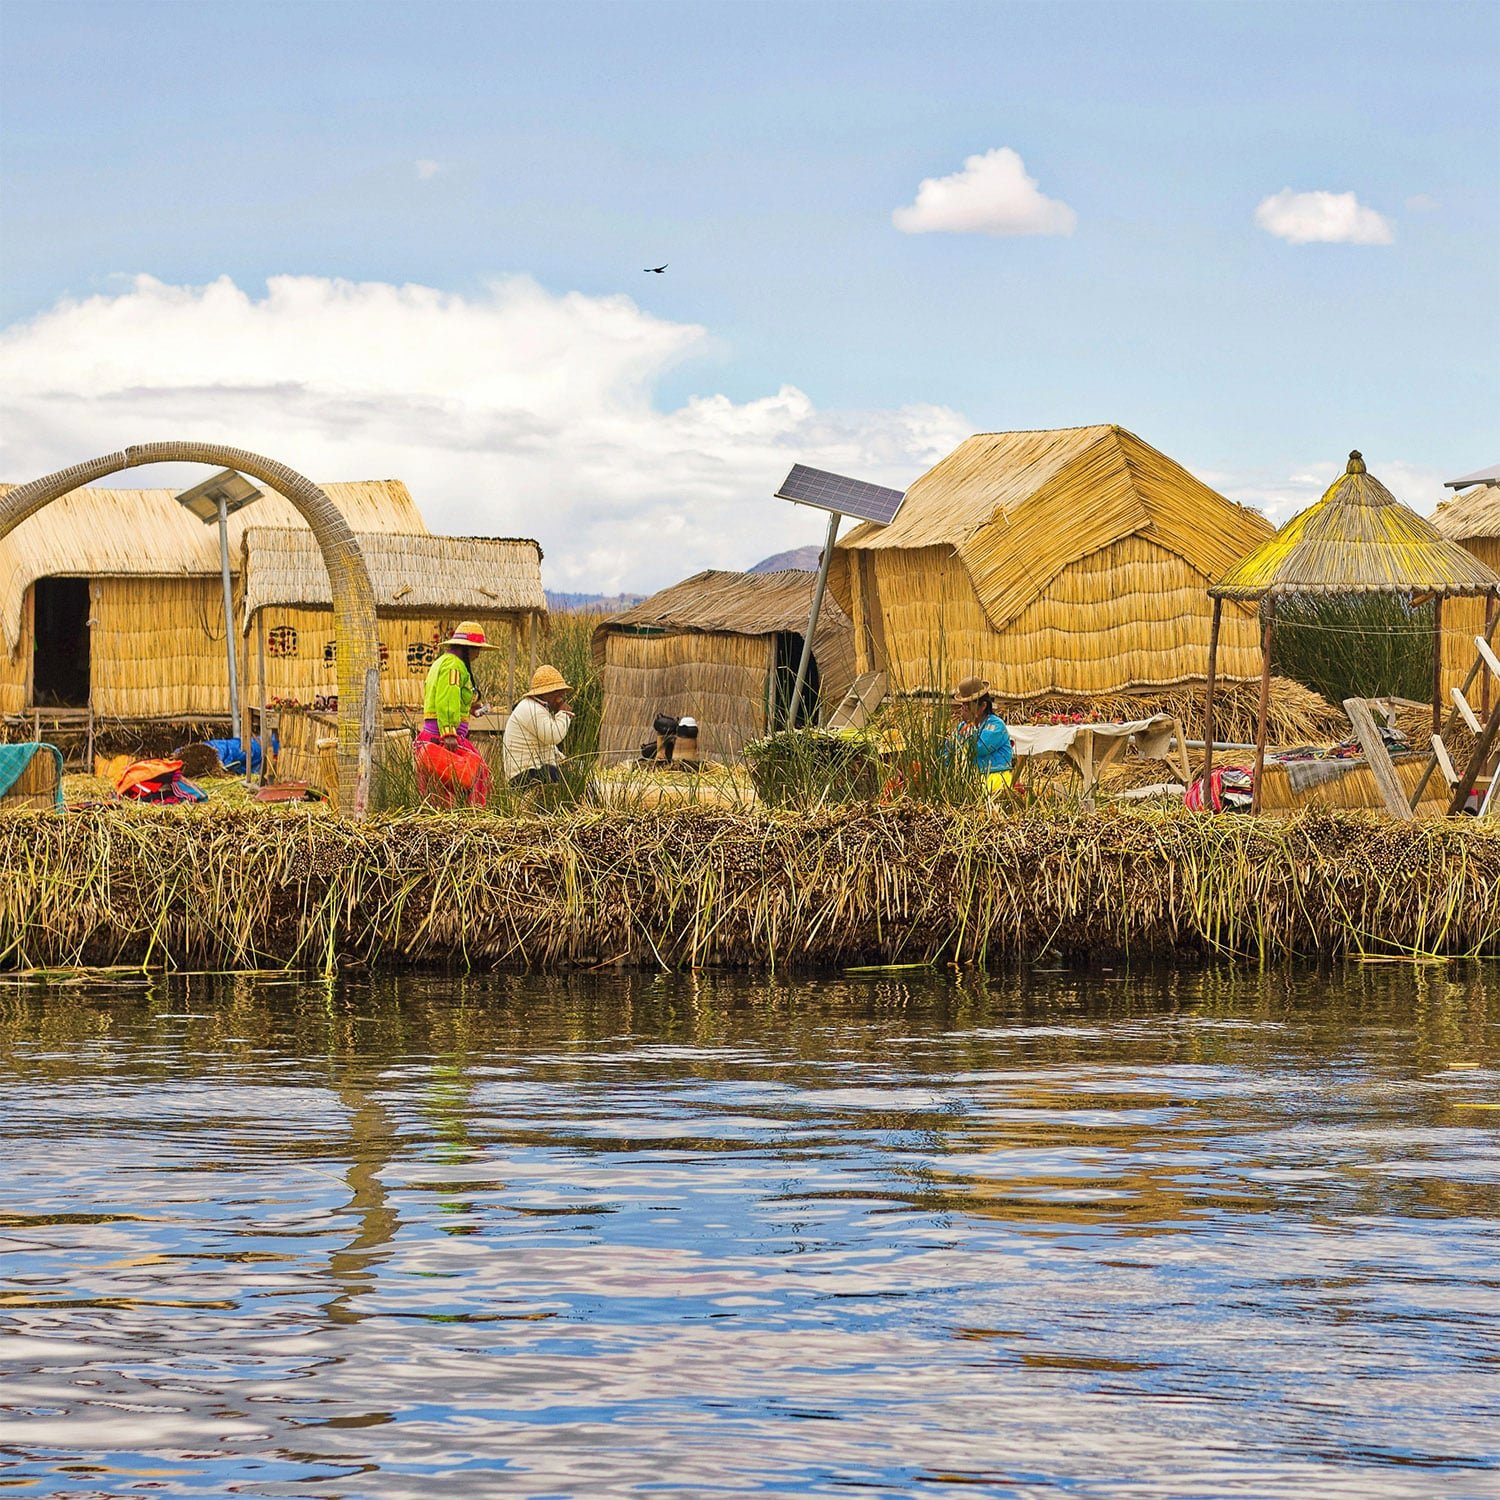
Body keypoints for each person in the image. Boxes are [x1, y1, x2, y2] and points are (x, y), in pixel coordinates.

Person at [413, 621, 497, 807]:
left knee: (439, 791)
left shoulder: (441, 661)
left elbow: (447, 698)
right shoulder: (454, 666)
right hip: (443, 739)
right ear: (466, 648)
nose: (478, 654)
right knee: (479, 774)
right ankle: (476, 816)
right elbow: (446, 699)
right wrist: (449, 733)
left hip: (432, 737)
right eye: (476, 649)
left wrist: (470, 708)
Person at [503, 665, 574, 788]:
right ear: (548, 693)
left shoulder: (538, 707)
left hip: (534, 771)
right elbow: (553, 736)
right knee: (553, 774)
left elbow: (548, 747)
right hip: (523, 777)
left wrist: (564, 760)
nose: (561, 699)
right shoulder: (531, 709)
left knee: (568, 771)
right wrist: (564, 714)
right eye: (559, 695)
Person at [949, 675, 1014, 795]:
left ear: (983, 706)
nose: (964, 708)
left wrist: (971, 724)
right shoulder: (962, 726)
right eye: (963, 705)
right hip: (970, 778)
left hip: (995, 778)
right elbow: (951, 746)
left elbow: (979, 748)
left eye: (969, 704)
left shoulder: (996, 725)